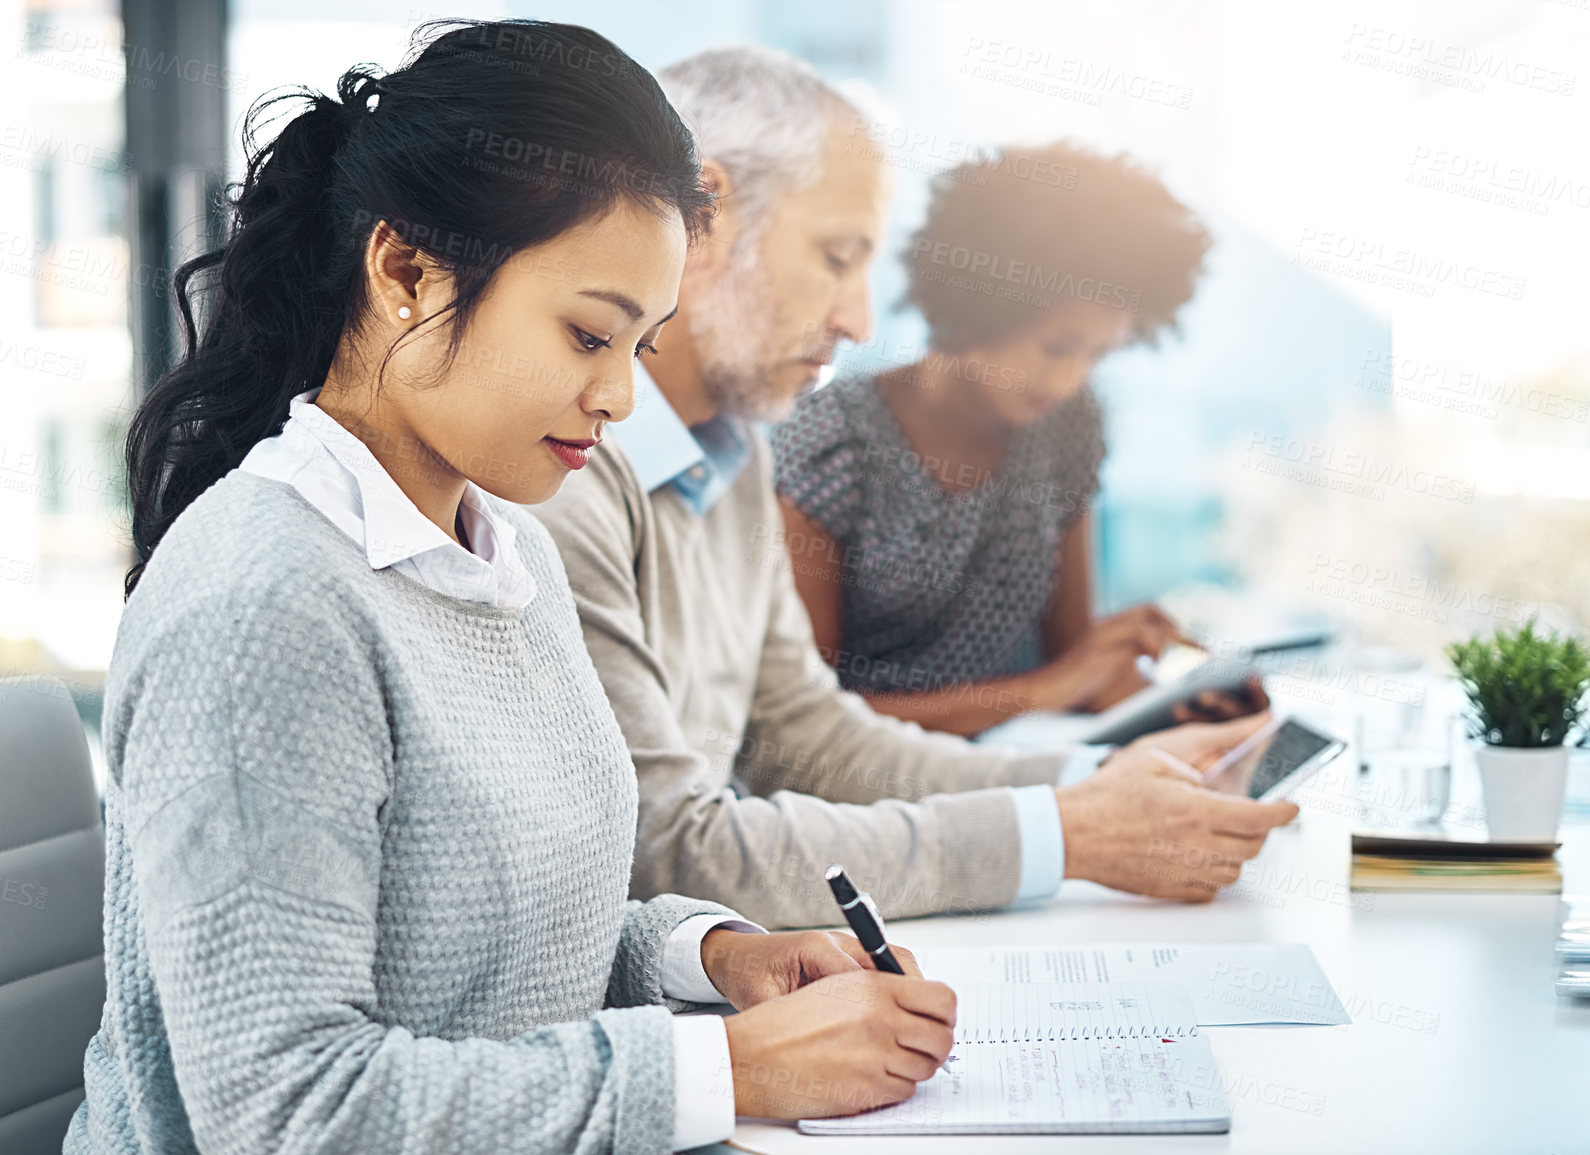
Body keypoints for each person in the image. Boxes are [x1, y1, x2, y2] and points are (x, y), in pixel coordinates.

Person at [67, 23, 959, 1155]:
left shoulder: (507, 547)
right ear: (405, 271)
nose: (619, 399)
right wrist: (725, 1071)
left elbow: (496, 949)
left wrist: (717, 955)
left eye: (638, 348)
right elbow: (287, 1109)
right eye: (588, 333)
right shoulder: (264, 606)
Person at [530, 47, 1297, 931]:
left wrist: (1101, 782)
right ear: (704, 217)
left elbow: (811, 738)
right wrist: (1062, 832)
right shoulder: (562, 477)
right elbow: (659, 844)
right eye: (834, 255)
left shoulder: (734, 452)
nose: (859, 320)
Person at [771, 143, 1246, 738]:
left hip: (1030, 772)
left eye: (1097, 354)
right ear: (977, 307)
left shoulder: (1067, 425)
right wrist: (1041, 693)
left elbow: (1070, 663)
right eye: (1056, 347)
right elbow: (800, 725)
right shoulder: (830, 437)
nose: (1070, 380)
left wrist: (1167, 695)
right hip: (872, 806)